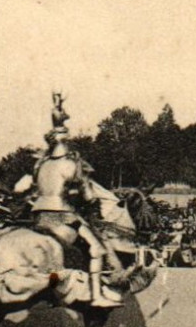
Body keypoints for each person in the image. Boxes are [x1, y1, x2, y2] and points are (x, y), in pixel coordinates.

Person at [22, 93, 124, 304]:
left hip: (38, 216)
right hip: (64, 216)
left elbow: (35, 189)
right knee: (97, 249)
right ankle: (96, 296)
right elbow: (88, 196)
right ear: (66, 142)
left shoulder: (40, 164)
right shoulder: (72, 164)